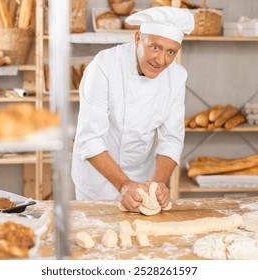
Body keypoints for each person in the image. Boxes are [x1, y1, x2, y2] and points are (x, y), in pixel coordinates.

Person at [71, 6, 194, 211]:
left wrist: (158, 183)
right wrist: (123, 184)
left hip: (142, 181)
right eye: (155, 47)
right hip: (98, 182)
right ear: (138, 38)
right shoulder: (104, 67)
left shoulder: (177, 76)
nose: (161, 60)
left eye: (171, 52)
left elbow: (171, 139)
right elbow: (90, 139)